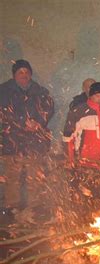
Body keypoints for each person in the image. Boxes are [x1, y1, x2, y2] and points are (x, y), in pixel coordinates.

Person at [0, 59, 55, 209]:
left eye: (26, 72)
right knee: (12, 178)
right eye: (20, 72)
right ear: (14, 75)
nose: (23, 75)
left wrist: (38, 122)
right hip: (12, 142)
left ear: (30, 74)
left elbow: (48, 108)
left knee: (35, 178)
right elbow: (4, 112)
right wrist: (23, 122)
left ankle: (34, 210)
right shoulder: (4, 91)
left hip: (34, 143)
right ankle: (12, 211)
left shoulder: (40, 91)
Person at [63, 82, 100, 166]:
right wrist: (70, 161)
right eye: (97, 96)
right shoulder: (78, 112)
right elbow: (68, 139)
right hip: (85, 164)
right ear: (90, 96)